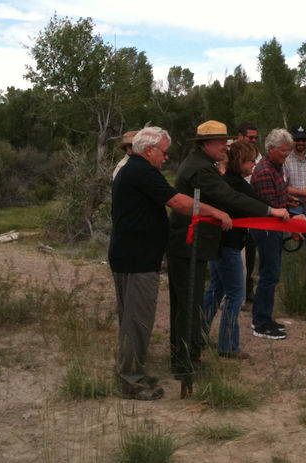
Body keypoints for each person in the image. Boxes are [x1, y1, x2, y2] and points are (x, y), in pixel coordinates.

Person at [108, 126, 232, 401]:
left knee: (132, 320)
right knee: (137, 321)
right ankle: (132, 380)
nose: (165, 158)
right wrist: (213, 210)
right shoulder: (141, 170)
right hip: (137, 258)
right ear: (149, 149)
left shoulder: (133, 169)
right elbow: (178, 201)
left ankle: (134, 371)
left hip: (130, 255)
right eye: (163, 152)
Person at [167, 120, 289, 381]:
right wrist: (271, 211)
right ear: (207, 144)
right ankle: (186, 360)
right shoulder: (201, 169)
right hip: (192, 243)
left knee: (202, 299)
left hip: (201, 243)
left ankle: (191, 351)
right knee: (193, 303)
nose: (226, 146)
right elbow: (230, 197)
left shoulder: (204, 165)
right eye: (222, 141)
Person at [202, 141, 263, 359]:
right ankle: (228, 345)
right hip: (228, 246)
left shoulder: (229, 181)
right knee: (236, 294)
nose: (254, 164)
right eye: (250, 160)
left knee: (216, 290)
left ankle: (198, 334)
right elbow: (257, 204)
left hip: (223, 244)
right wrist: (281, 213)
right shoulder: (236, 183)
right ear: (239, 162)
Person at [250, 128, 306, 340]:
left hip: (275, 227)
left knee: (272, 275)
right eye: (283, 151)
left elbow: (280, 198)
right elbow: (270, 206)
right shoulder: (265, 171)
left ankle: (265, 316)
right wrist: (294, 222)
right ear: (271, 149)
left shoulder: (277, 167)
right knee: (269, 275)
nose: (287, 155)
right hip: (267, 229)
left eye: (289, 151)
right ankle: (260, 322)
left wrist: (291, 205)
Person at [236, 121, 260, 304]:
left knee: (250, 248)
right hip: (232, 209)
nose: (253, 140)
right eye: (250, 137)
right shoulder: (228, 153)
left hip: (251, 206)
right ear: (240, 136)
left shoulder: (258, 156)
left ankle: (247, 288)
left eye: (255, 137)